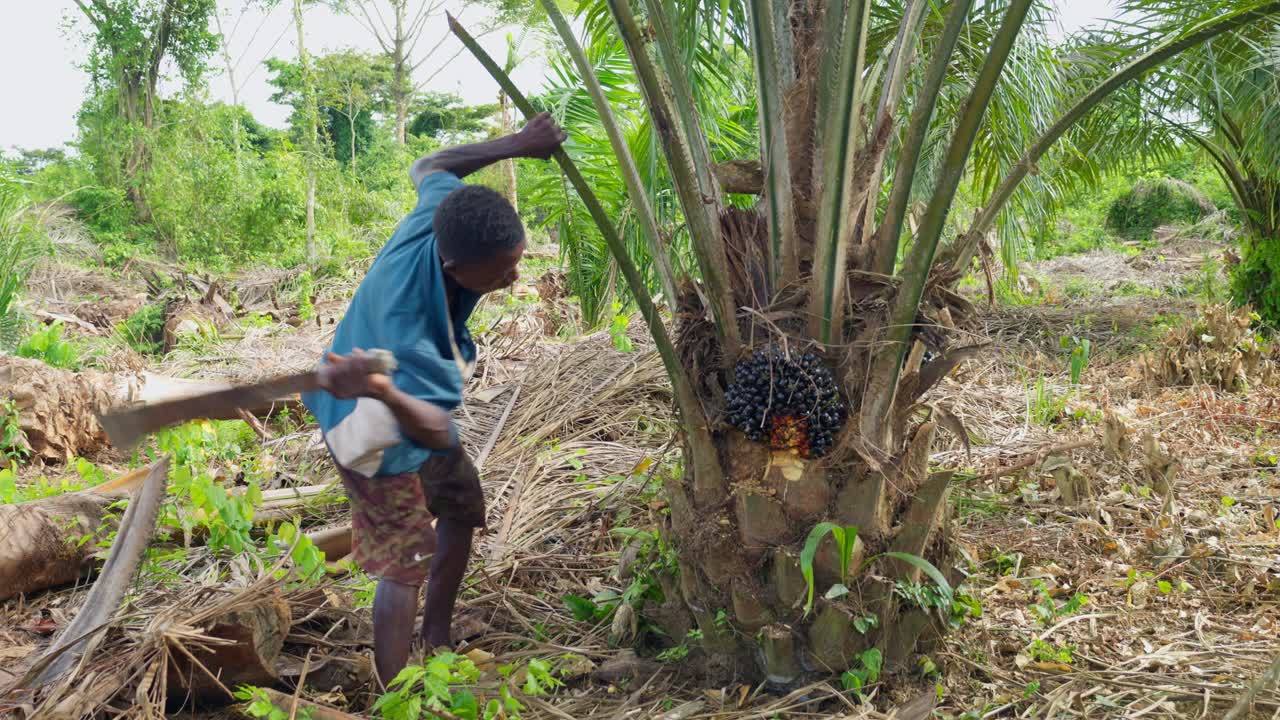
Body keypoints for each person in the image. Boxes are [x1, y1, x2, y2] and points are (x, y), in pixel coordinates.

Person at [301, 112, 567, 686]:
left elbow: (430, 164)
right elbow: (434, 431)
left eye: (516, 260)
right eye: (501, 272)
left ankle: (438, 637)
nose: (513, 278)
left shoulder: (441, 214)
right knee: (405, 562)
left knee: (460, 504)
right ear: (454, 267)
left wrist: (519, 144)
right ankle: (396, 692)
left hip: (390, 393)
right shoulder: (415, 334)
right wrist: (380, 389)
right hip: (363, 426)